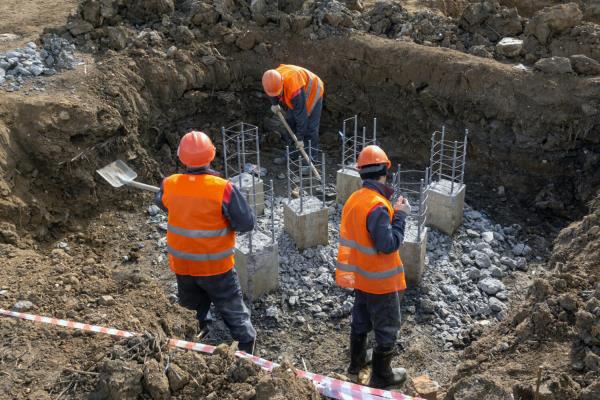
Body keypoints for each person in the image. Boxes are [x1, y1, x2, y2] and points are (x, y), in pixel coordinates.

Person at [155, 131, 257, 354]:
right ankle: (247, 349)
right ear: (211, 155)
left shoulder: (170, 184)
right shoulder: (223, 188)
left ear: (182, 158)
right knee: (232, 308)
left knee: (192, 308)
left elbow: (163, 204)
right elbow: (246, 223)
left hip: (183, 266)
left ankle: (198, 339)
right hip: (216, 268)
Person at [335, 145, 411, 389]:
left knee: (361, 320)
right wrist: (400, 215)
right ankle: (382, 376)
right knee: (387, 327)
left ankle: (356, 362)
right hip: (381, 281)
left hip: (361, 278)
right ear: (385, 170)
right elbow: (388, 245)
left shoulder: (355, 199)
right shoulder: (378, 206)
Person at [262, 64, 324, 164]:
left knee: (311, 127)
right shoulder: (270, 79)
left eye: (278, 93)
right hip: (297, 90)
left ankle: (310, 160)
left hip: (313, 89)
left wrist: (299, 138)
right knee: (290, 123)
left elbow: (301, 115)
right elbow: (272, 91)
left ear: (282, 83)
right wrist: (275, 103)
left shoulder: (294, 89)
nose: (277, 95)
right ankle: (291, 155)